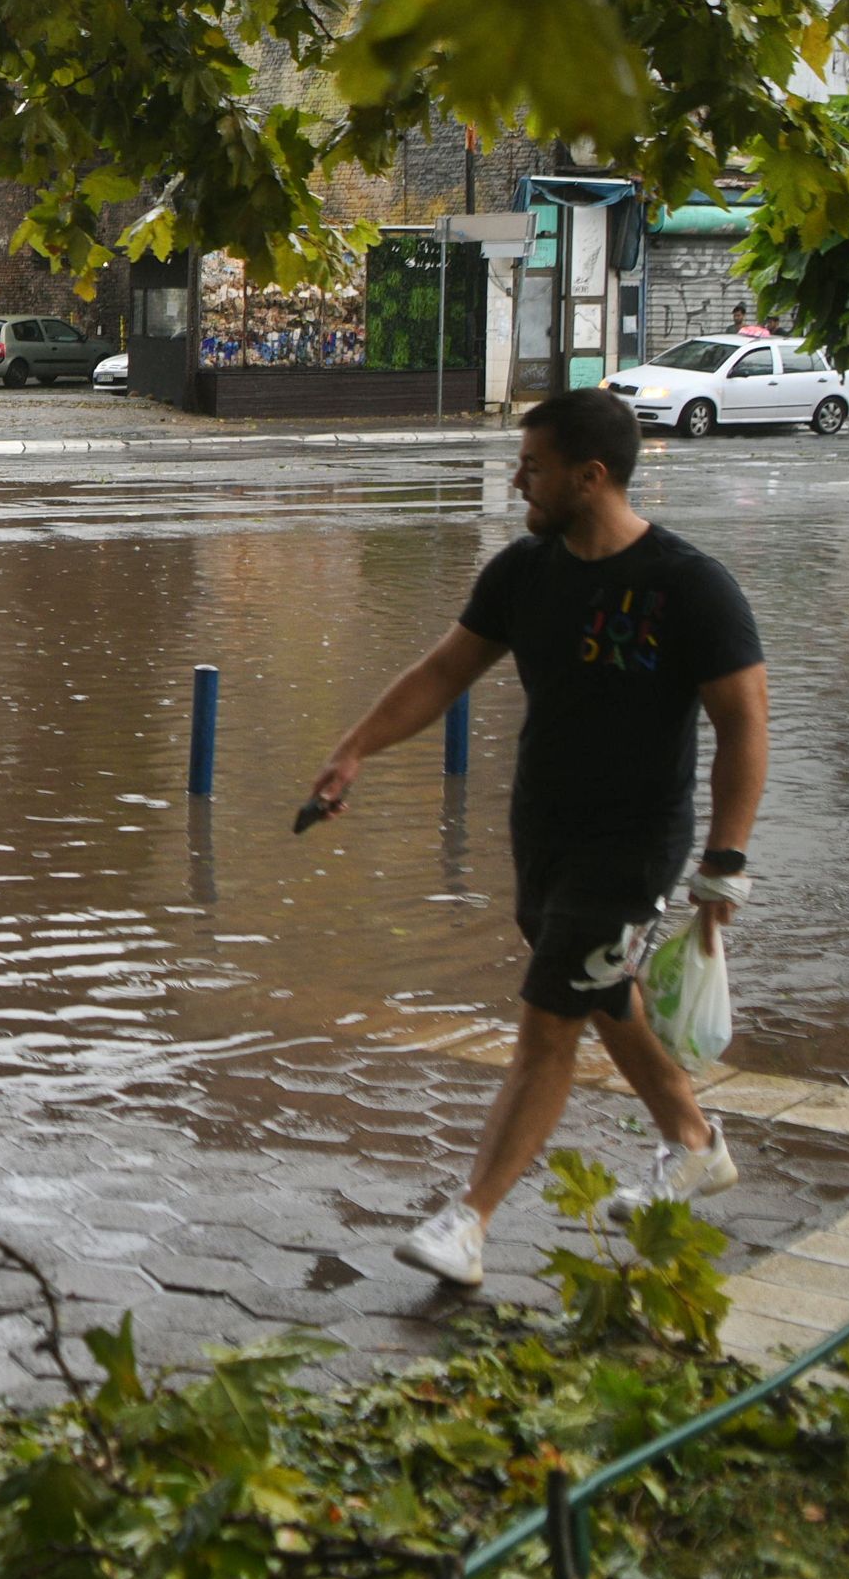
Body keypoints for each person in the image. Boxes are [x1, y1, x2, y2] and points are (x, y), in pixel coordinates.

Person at [308, 385, 768, 1287]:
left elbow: (744, 722)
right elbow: (445, 668)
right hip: (544, 827)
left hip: (633, 842)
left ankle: (468, 1220)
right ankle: (693, 1138)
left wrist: (725, 865)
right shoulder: (525, 571)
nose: (519, 477)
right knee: (596, 987)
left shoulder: (689, 585)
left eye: (535, 465)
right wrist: (355, 747)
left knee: (550, 1015)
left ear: (590, 476)